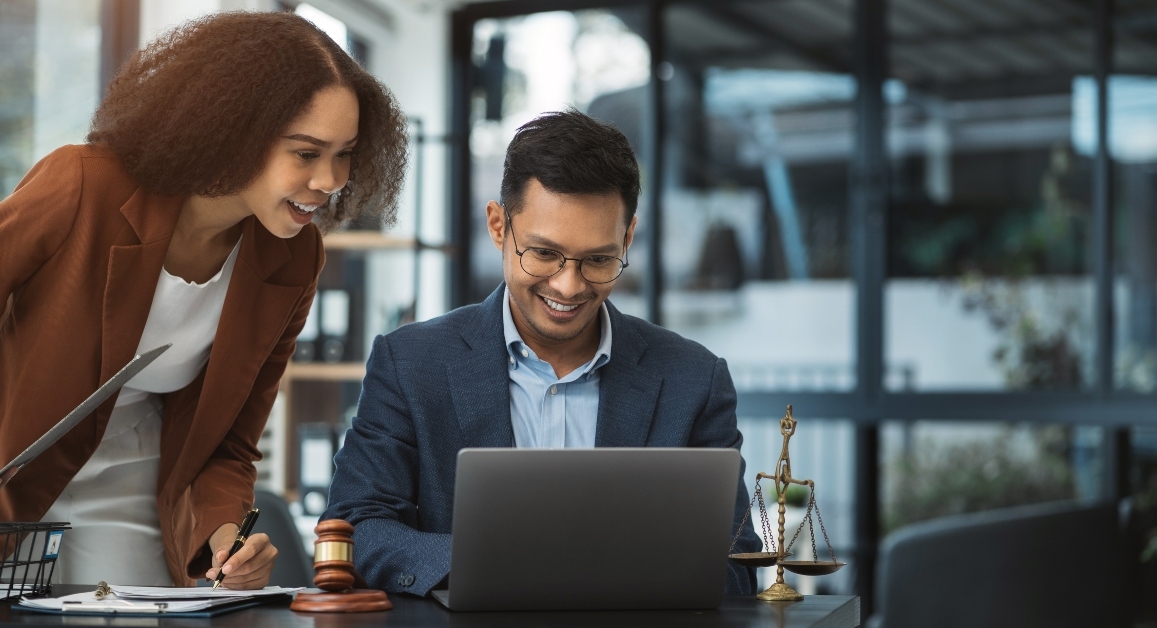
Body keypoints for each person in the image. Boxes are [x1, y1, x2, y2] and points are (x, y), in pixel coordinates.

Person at [0, 11, 407, 588]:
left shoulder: (293, 259)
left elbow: (231, 443)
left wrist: (228, 538)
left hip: (136, 480)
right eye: (306, 153)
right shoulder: (83, 185)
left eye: (344, 154)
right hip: (12, 467)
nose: (330, 180)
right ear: (234, 131)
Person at [325, 109, 761, 597]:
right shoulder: (409, 363)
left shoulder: (693, 379)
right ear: (498, 226)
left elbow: (736, 564)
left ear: (627, 238)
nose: (568, 285)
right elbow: (356, 524)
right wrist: (494, 563)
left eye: (598, 259)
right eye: (545, 253)